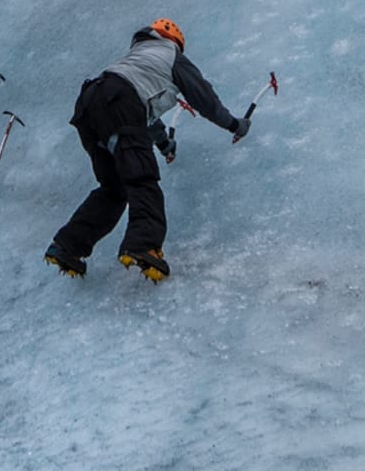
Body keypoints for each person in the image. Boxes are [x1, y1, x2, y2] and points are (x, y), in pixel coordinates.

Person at [43, 18, 249, 282]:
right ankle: (142, 245)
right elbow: (203, 98)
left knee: (114, 189)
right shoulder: (171, 54)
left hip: (90, 106)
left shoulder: (137, 58)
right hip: (120, 102)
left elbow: (139, 113)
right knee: (143, 180)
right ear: (174, 39)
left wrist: (163, 144)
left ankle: (67, 246)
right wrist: (234, 125)